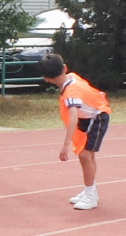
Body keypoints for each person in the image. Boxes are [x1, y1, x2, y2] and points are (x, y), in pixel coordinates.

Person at [40, 52, 108, 210]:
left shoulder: (71, 93)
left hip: (97, 117)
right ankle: (90, 191)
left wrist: (65, 146)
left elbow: (73, 118)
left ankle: (90, 195)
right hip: (88, 116)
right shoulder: (72, 77)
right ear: (64, 68)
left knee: (85, 155)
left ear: (46, 78)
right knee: (87, 155)